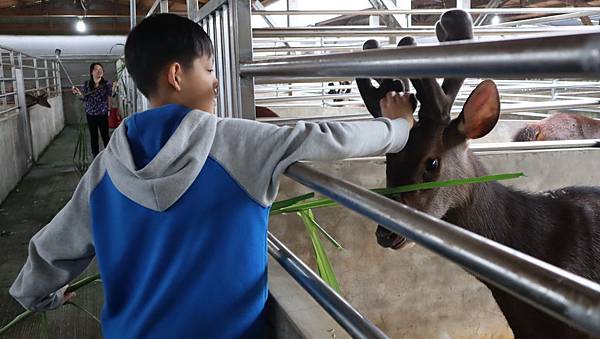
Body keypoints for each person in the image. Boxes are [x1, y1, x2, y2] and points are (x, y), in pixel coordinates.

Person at [10, 13, 415, 339]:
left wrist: (40, 296)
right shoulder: (240, 143)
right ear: (176, 75)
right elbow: (329, 137)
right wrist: (395, 128)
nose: (218, 81)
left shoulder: (104, 170)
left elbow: (50, 250)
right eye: (208, 69)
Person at [72, 63, 117, 157]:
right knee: (94, 136)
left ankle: (109, 155)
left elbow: (111, 95)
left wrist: (115, 88)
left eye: (100, 69)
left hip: (102, 114)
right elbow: (84, 98)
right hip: (90, 114)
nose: (99, 71)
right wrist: (78, 93)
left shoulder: (106, 84)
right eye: (96, 69)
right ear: (91, 72)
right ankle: (95, 156)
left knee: (105, 136)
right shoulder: (86, 84)